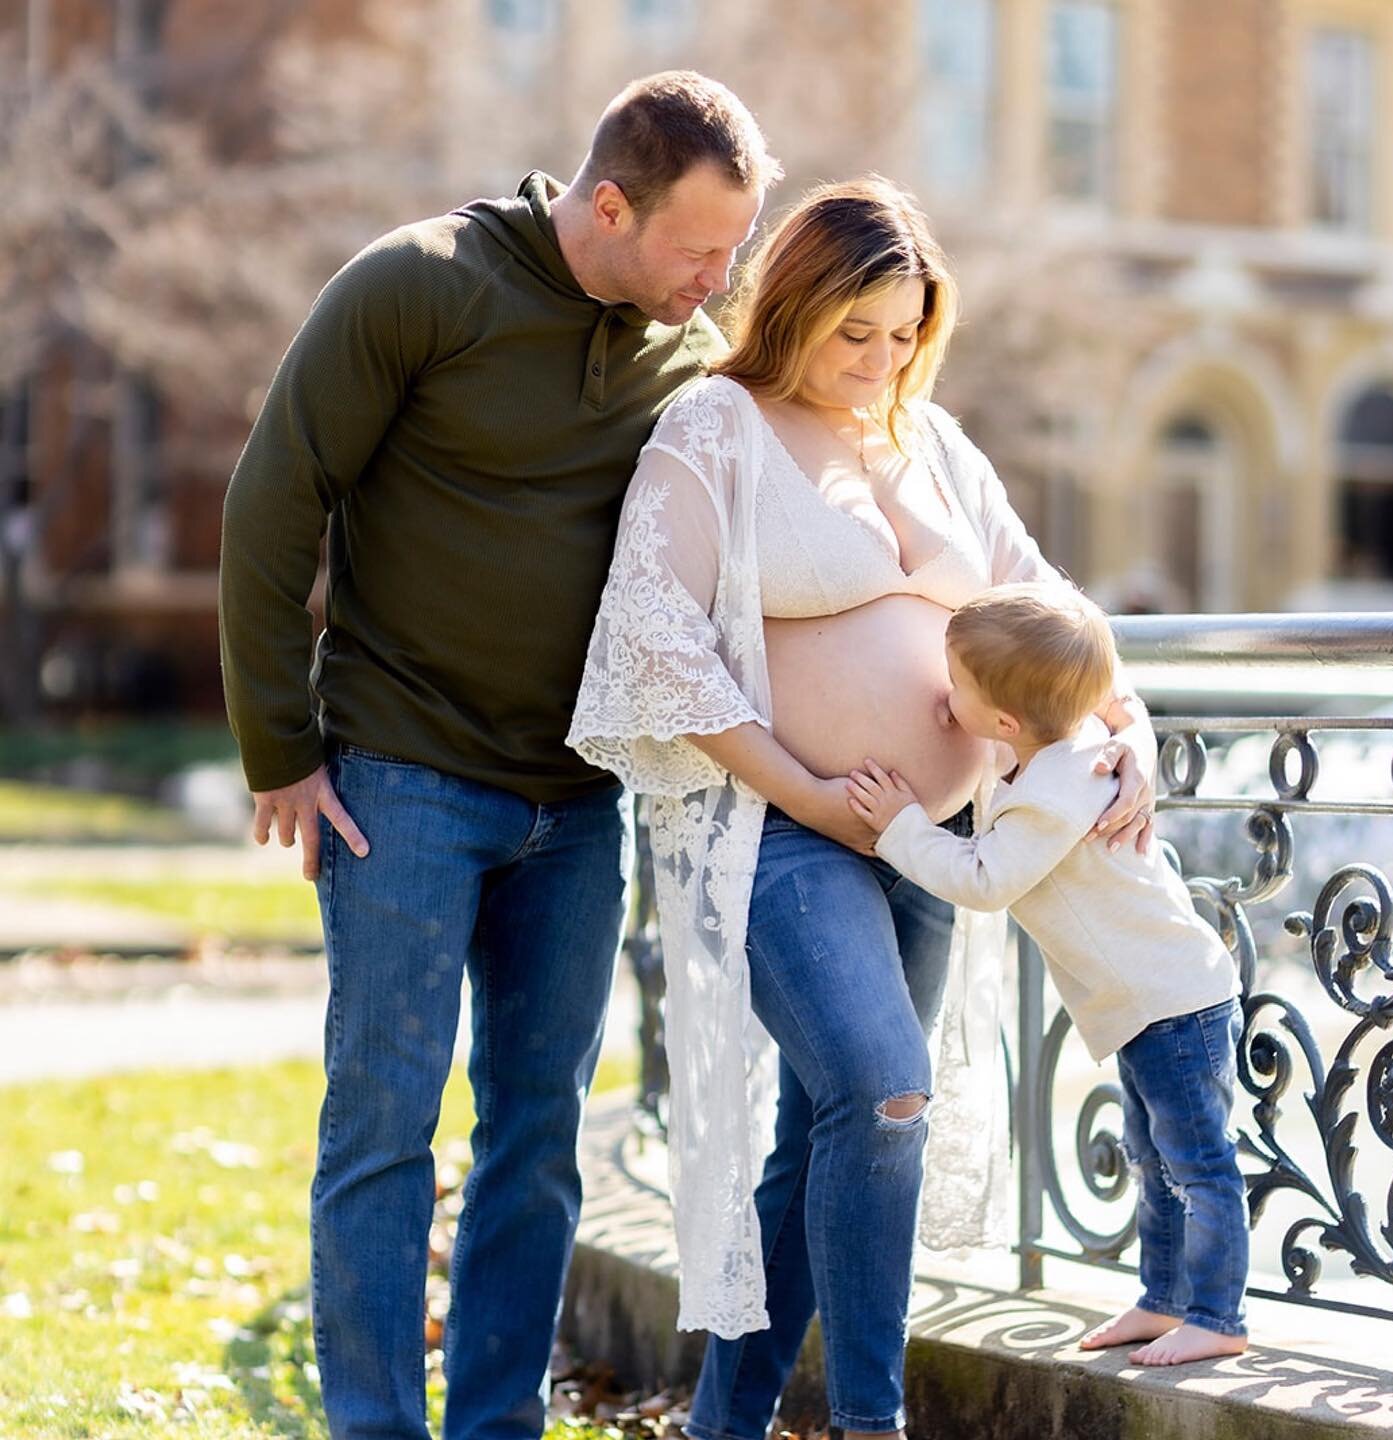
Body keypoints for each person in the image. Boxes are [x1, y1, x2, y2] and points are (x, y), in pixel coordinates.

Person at [218, 72, 779, 1440]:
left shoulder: (686, 358)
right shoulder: (418, 286)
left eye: (737, 251)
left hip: (578, 807)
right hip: (400, 781)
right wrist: (279, 749)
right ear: (608, 204)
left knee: (537, 1146)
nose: (721, 280)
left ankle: (494, 1426)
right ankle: (372, 1425)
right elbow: (274, 502)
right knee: (384, 1129)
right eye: (702, 249)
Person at [567, 179, 1157, 1440]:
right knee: (887, 1090)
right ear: (795, 302)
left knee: (823, 1131)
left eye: (903, 334)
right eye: (855, 332)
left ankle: (725, 1425)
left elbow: (1047, 601)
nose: (880, 359)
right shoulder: (715, 428)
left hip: (931, 847)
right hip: (781, 828)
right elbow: (657, 645)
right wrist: (816, 796)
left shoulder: (931, 444)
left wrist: (1129, 725)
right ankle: (873, 1423)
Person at [846, 582, 1247, 1366]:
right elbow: (1014, 756)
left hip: (1175, 1002)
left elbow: (985, 879)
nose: (943, 693)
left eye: (954, 685)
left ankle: (1217, 1314)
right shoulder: (1058, 749)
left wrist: (900, 827)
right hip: (1147, 1003)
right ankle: (1165, 1302)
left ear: (1004, 721)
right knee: (1153, 1160)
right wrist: (966, 716)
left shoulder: (1057, 792)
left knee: (1199, 1165)